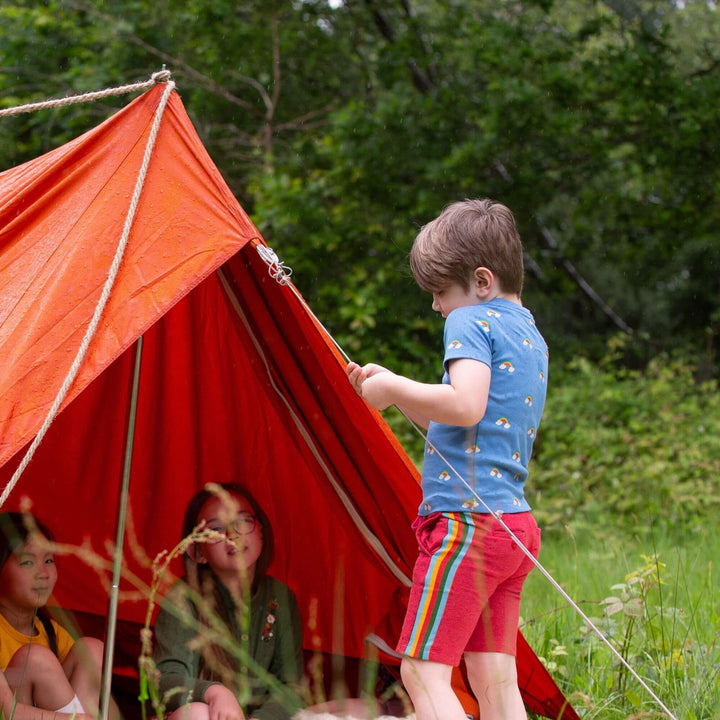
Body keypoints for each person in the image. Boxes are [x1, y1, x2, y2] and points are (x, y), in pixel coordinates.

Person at [346, 198, 548, 720]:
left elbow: (465, 404)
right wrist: (392, 386)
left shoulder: (472, 322)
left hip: (467, 525)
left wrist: (392, 389)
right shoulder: (529, 333)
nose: (436, 306)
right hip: (514, 527)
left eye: (440, 292)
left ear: (482, 281)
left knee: (421, 671)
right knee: (493, 676)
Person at [153, 483, 305, 720]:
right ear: (197, 552)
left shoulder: (280, 598)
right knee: (197, 713)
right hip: (200, 716)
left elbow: (291, 687)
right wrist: (215, 693)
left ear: (261, 532)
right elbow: (165, 678)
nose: (232, 535)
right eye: (215, 528)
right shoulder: (184, 598)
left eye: (243, 521)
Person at [0, 511, 117, 720]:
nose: (43, 574)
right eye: (28, 562)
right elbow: (7, 711)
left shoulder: (50, 631)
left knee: (92, 649)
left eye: (48, 560)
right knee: (35, 659)